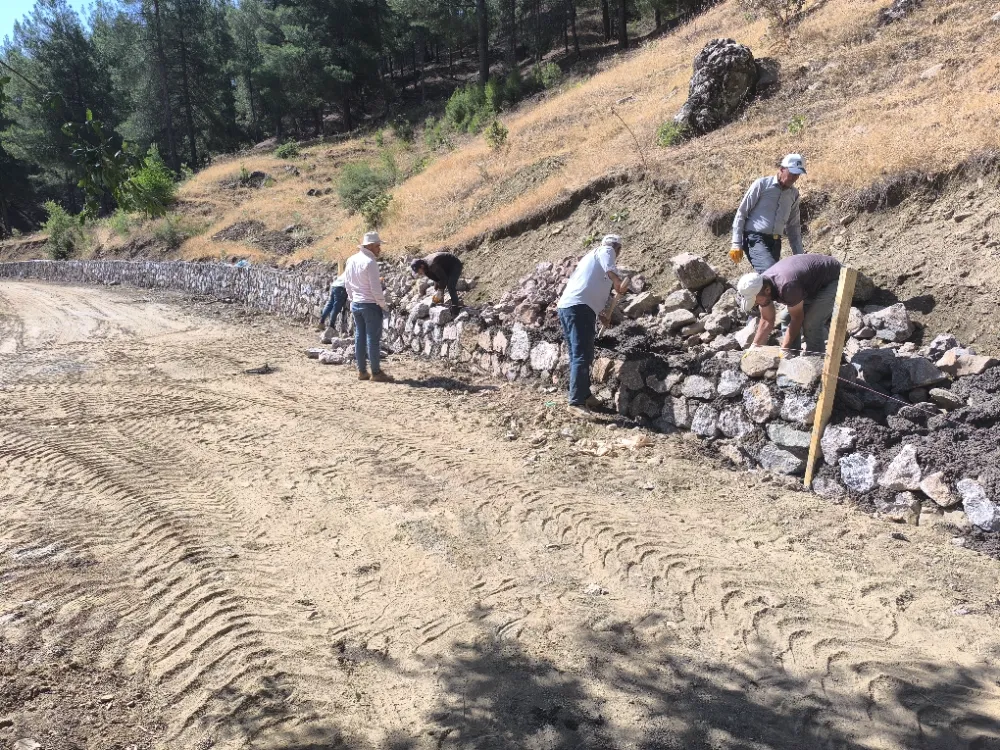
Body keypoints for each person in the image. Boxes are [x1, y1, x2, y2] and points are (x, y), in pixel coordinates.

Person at [556, 235, 629, 414]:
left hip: (572, 308)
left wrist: (602, 314)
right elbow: (609, 260)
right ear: (616, 248)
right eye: (617, 250)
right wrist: (618, 281)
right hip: (578, 308)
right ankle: (576, 402)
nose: (616, 253)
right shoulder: (605, 251)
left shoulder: (596, 265)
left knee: (581, 355)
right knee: (581, 355)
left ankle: (584, 394)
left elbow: (593, 290)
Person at [736, 254, 842, 356]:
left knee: (811, 323)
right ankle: (792, 358)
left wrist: (784, 349)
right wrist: (755, 346)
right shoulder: (762, 286)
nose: (755, 304)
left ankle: (816, 362)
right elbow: (767, 320)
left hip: (833, 279)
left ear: (767, 290)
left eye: (755, 301)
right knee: (786, 318)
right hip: (809, 283)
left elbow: (797, 318)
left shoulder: (787, 286)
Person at [730, 153, 808, 273]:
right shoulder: (761, 185)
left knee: (772, 282)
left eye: (798, 174)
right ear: (782, 169)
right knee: (772, 274)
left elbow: (793, 227)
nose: (795, 177)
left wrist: (800, 256)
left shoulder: (794, 194)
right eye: (792, 173)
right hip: (755, 239)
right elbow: (742, 213)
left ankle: (752, 291)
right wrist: (736, 243)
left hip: (775, 243)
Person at [344, 231, 393, 382]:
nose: (380, 249)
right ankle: (376, 373)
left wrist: (352, 300)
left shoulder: (351, 260)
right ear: (371, 246)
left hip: (356, 304)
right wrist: (383, 305)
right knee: (372, 339)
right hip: (370, 304)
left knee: (359, 337)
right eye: (378, 246)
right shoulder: (370, 263)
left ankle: (362, 371)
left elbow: (347, 283)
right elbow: (375, 289)